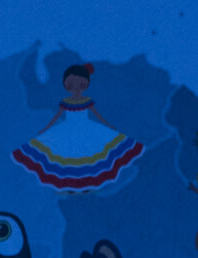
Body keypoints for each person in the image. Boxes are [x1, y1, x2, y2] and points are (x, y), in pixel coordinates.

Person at [10, 60, 145, 193]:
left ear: (85, 84)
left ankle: (86, 184)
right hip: (68, 131)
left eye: (79, 83)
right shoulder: (66, 102)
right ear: (66, 84)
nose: (75, 86)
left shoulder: (86, 101)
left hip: (85, 130)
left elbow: (97, 115)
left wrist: (108, 126)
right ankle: (71, 184)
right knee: (67, 160)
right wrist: (46, 130)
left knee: (88, 159)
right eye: (71, 83)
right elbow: (57, 116)